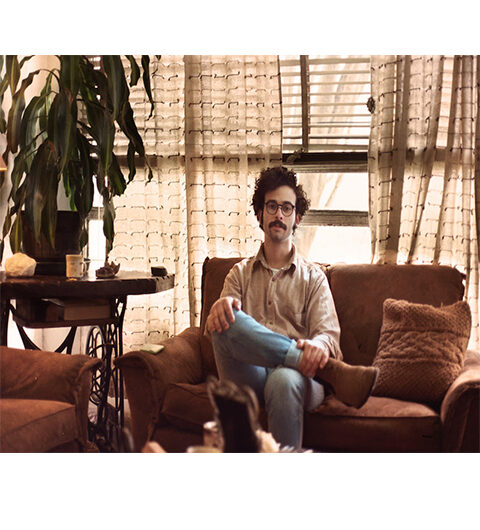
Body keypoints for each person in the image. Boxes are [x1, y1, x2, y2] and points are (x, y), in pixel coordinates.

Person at [206, 166, 377, 449]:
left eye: (287, 208)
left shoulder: (314, 278)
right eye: (272, 206)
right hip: (249, 375)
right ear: (259, 213)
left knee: (283, 379)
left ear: (297, 217)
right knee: (225, 317)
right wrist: (219, 308)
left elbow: (328, 336)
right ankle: (309, 362)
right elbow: (224, 331)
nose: (279, 215)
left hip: (300, 378)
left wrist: (317, 347)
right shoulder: (238, 274)